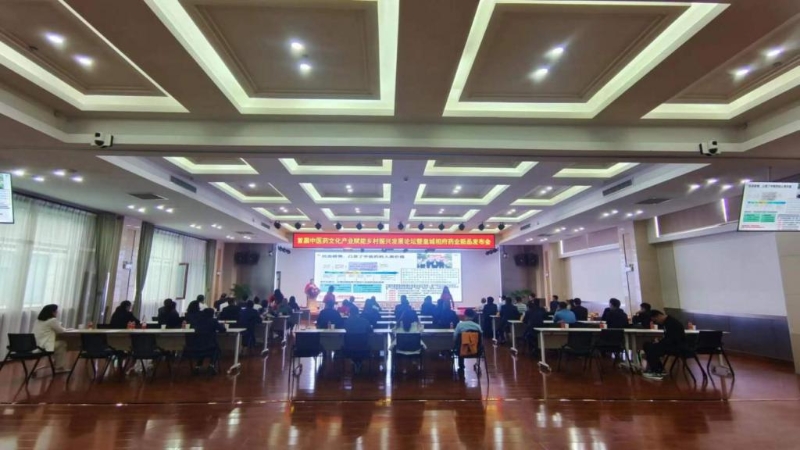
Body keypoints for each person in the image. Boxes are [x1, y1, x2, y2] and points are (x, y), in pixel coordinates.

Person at [642, 310, 686, 380]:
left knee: (650, 347)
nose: (656, 323)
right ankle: (659, 369)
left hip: (676, 346)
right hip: (673, 344)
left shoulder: (672, 323)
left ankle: (656, 371)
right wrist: (659, 341)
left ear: (658, 316)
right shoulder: (668, 322)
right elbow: (669, 337)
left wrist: (659, 342)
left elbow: (672, 339)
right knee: (648, 345)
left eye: (655, 320)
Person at [32, 304, 68, 372]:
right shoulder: (52, 320)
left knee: (56, 342)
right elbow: (61, 330)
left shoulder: (38, 320)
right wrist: (64, 328)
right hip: (45, 347)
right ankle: (59, 367)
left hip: (36, 346)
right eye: (56, 311)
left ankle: (54, 362)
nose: (57, 312)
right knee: (62, 343)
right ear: (52, 312)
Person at [191, 308, 226, 373]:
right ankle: (211, 365)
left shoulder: (198, 321)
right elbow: (222, 329)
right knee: (216, 349)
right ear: (212, 314)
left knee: (202, 350)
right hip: (210, 345)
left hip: (197, 346)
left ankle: (198, 366)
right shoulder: (213, 321)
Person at [344, 305, 373, 373]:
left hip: (349, 346)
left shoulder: (346, 322)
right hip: (363, 346)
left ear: (350, 313)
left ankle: (355, 362)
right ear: (358, 312)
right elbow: (370, 331)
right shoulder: (365, 321)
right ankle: (358, 363)